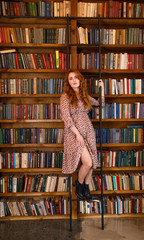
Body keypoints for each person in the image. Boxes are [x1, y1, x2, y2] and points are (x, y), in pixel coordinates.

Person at [60, 69, 105, 201]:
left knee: (91, 162)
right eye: (70, 78)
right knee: (88, 162)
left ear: (80, 80)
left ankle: (86, 187)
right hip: (74, 133)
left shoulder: (84, 96)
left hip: (88, 131)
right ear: (68, 82)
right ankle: (79, 184)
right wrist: (78, 135)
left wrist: (101, 89)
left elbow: (100, 104)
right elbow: (66, 118)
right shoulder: (65, 96)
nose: (73, 80)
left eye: (76, 77)